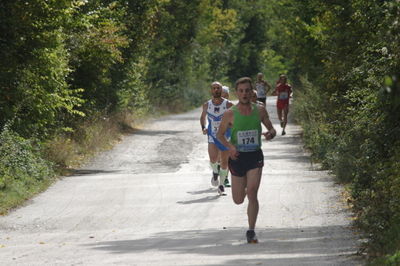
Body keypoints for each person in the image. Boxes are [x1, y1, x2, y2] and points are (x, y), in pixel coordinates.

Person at [217, 77, 276, 244]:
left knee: (252, 193)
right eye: (241, 91)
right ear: (237, 93)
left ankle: (251, 230)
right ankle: (241, 188)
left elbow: (271, 128)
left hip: (255, 156)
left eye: (247, 91)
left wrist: (271, 133)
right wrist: (230, 147)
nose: (244, 94)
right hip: (237, 158)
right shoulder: (230, 114)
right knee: (238, 200)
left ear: (252, 92)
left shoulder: (260, 110)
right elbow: (219, 135)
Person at [200, 81, 234, 195]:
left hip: (225, 136)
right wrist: (203, 127)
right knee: (213, 159)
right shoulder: (207, 105)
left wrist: (232, 125)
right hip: (212, 135)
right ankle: (215, 172)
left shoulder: (228, 104)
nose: (216, 90)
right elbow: (202, 117)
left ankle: (221, 185)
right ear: (211, 90)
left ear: (221, 90)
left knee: (224, 161)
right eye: (214, 88)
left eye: (218, 88)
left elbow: (235, 118)